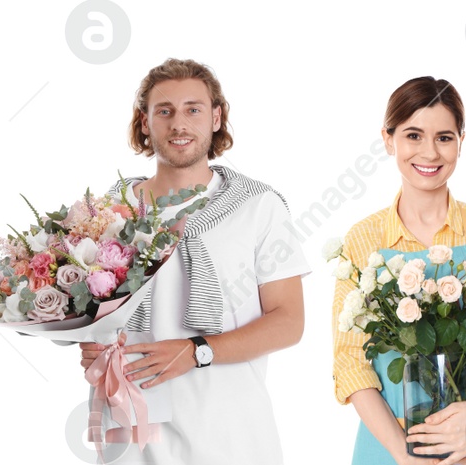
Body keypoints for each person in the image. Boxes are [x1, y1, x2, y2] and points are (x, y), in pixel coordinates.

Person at [77, 58, 309, 464]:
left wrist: (197, 349)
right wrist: (91, 345)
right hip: (134, 433)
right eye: (164, 111)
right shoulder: (109, 212)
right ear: (145, 122)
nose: (178, 124)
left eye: (193, 109)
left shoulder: (258, 207)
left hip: (231, 437)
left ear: (216, 117)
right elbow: (93, 312)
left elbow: (289, 321)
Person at [333, 76, 466, 465]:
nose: (429, 152)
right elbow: (350, 362)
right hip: (392, 446)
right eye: (413, 135)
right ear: (388, 139)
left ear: (462, 140)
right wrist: (403, 454)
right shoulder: (362, 239)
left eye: (444, 137)